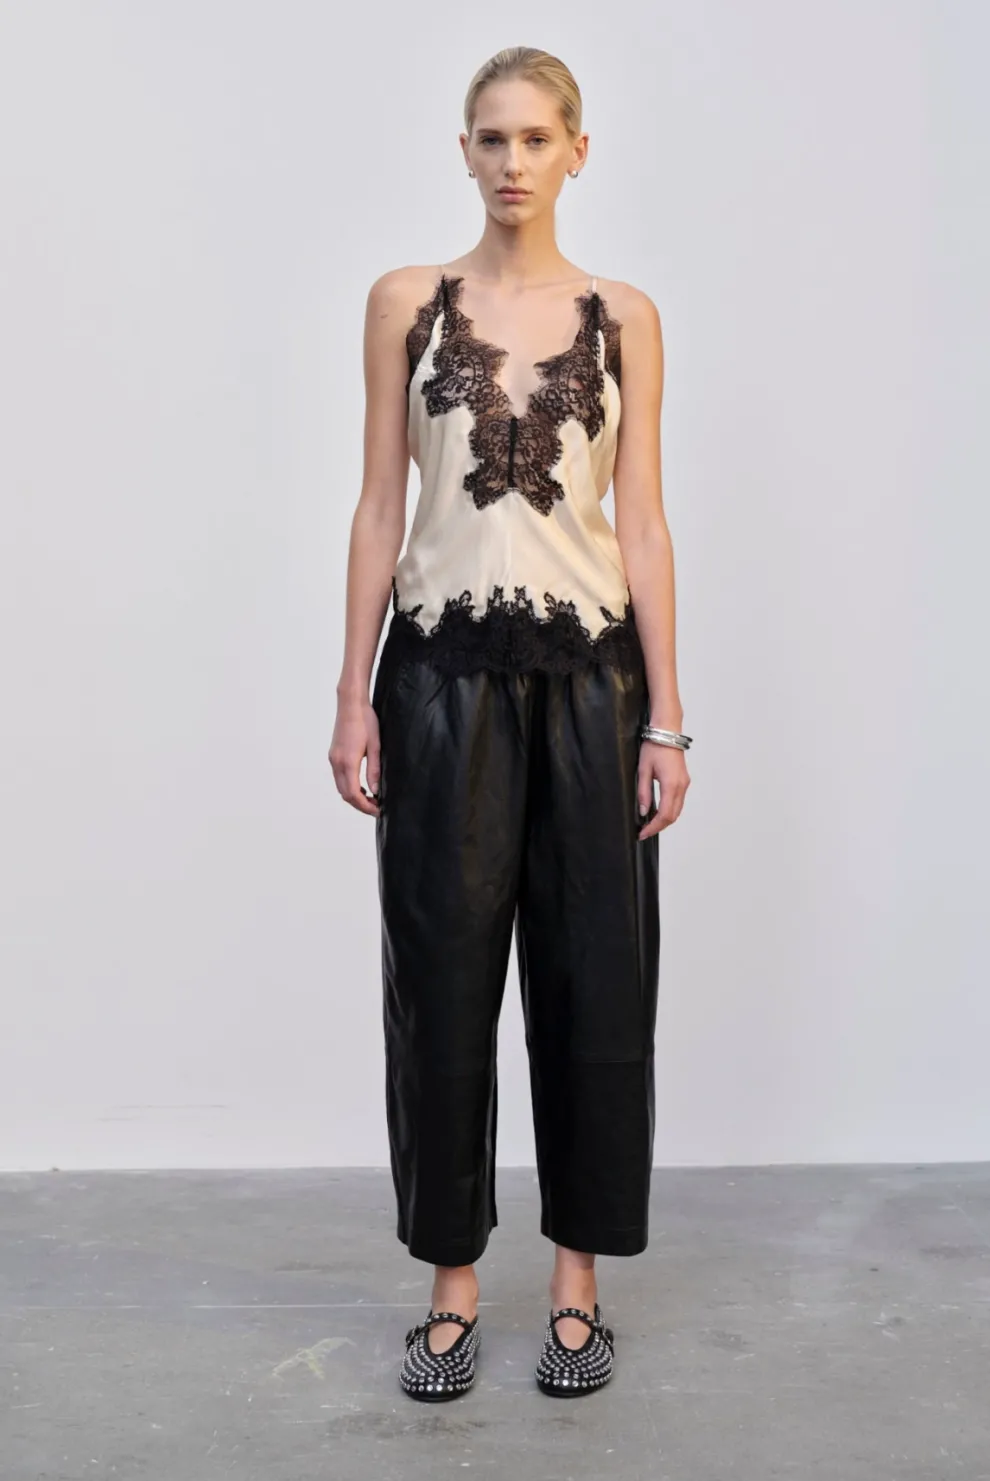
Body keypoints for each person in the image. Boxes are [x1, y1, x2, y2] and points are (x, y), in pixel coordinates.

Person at [329, 44, 691, 1402]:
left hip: (593, 684)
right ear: (464, 151)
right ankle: (452, 1288)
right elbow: (380, 502)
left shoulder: (624, 316)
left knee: (596, 982)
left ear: (577, 152)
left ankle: (577, 1286)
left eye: (537, 138)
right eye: (491, 137)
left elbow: (641, 521)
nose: (513, 160)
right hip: (436, 675)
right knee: (438, 981)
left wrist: (668, 721)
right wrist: (351, 691)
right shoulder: (404, 304)